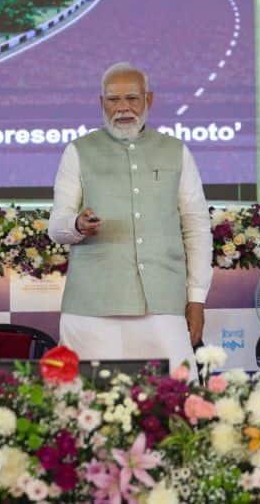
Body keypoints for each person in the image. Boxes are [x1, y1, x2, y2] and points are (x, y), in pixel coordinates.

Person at [49, 62, 212, 370]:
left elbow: (196, 227)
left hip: (163, 303)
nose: (122, 108)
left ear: (148, 100)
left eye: (132, 98)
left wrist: (197, 298)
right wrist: (77, 225)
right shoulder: (78, 151)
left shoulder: (176, 151)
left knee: (171, 406)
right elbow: (57, 226)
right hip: (91, 307)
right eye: (113, 100)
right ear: (101, 103)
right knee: (85, 407)